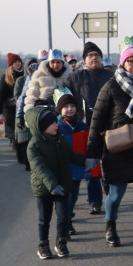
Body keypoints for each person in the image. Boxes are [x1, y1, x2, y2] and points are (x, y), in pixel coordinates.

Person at [85, 37, 133, 256]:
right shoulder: (110, 86)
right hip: (117, 149)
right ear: (123, 63)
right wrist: (92, 154)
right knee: (116, 194)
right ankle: (110, 226)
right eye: (131, 61)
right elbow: (97, 122)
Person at [27, 107, 84, 259]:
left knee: (63, 216)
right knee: (44, 218)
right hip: (44, 187)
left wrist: (87, 161)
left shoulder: (61, 138)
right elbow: (40, 168)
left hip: (63, 183)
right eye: (51, 123)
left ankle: (61, 242)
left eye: (55, 122)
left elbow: (70, 156)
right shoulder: (34, 145)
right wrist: (52, 185)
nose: (55, 125)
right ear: (41, 127)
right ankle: (43, 244)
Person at [68, 42, 114, 214]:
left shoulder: (111, 76)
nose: (94, 58)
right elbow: (63, 97)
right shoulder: (75, 77)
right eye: (90, 56)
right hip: (85, 126)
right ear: (85, 59)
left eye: (97, 55)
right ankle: (95, 201)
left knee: (109, 162)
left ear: (101, 58)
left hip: (108, 126)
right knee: (92, 166)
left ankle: (110, 192)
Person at [54, 86, 91, 235]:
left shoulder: (81, 125)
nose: (69, 109)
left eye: (72, 106)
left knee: (74, 195)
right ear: (59, 109)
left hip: (77, 167)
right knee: (65, 197)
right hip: (62, 168)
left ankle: (68, 217)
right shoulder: (56, 126)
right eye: (66, 107)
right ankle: (65, 222)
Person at [0, 54, 25, 152]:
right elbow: (1, 95)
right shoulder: (6, 77)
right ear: (11, 65)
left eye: (19, 61)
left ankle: (20, 144)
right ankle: (14, 142)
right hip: (10, 107)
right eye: (15, 62)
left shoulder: (25, 75)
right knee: (12, 128)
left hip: (22, 106)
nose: (17, 64)